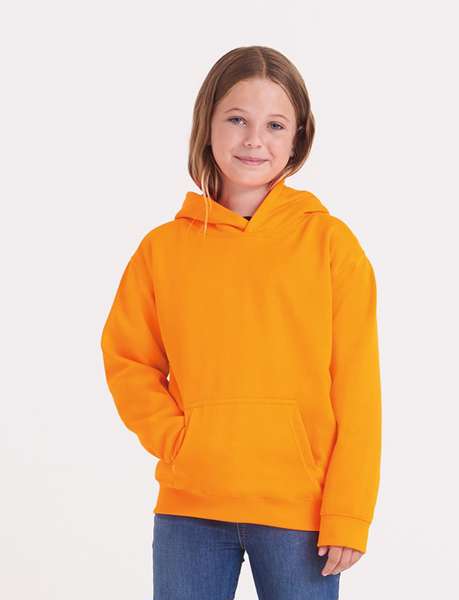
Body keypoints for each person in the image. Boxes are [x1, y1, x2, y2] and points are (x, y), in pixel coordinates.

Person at [100, 45, 382, 600]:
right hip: (190, 510)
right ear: (206, 126)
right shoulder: (163, 249)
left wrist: (350, 511)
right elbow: (128, 359)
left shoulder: (331, 245)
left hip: (301, 514)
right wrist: (178, 441)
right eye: (236, 119)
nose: (255, 139)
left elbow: (358, 390)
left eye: (275, 125)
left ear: (298, 139)